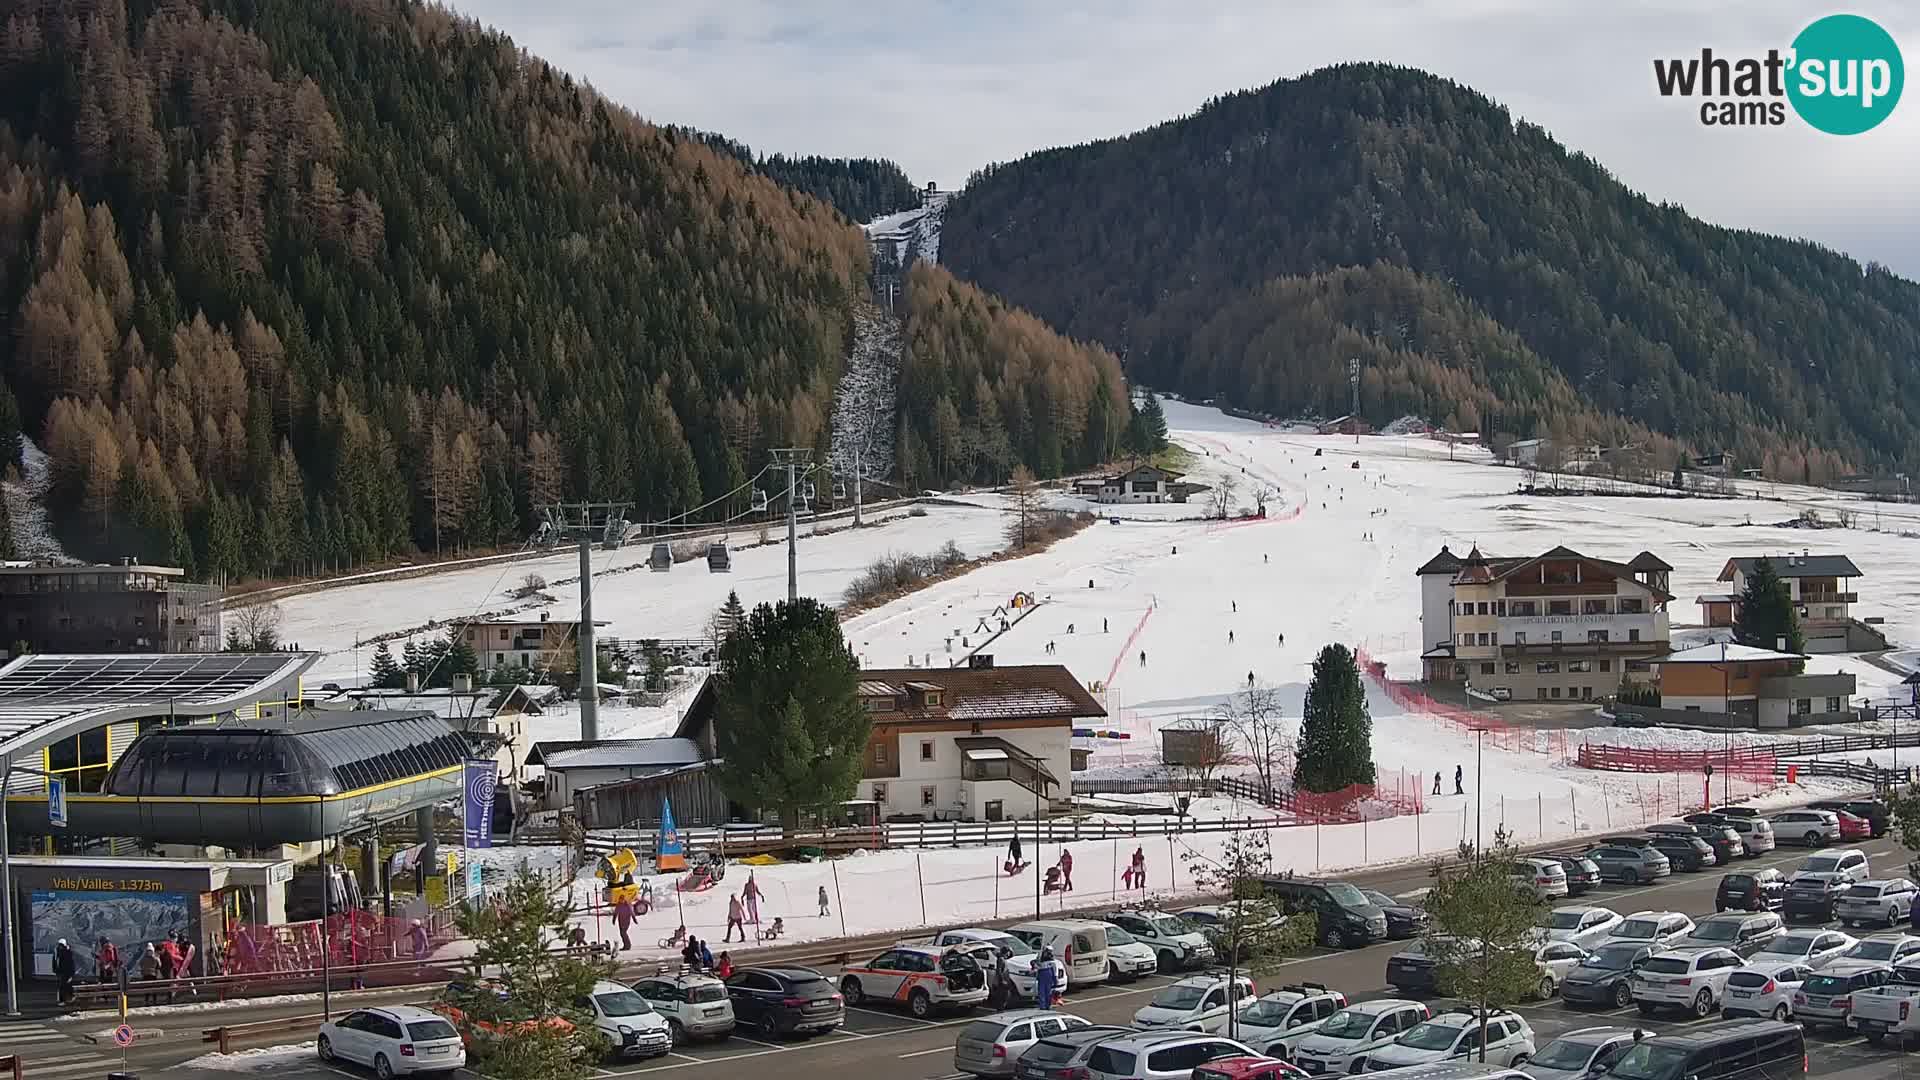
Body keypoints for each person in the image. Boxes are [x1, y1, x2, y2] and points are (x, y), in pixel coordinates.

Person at [53, 938, 75, 1005]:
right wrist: (55, 969)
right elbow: (55, 961)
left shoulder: (67, 952)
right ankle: (64, 999)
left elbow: (71, 964)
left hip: (66, 972)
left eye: (61, 945)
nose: (60, 947)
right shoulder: (58, 952)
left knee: (65, 986)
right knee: (63, 986)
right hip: (61, 971)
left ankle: (66, 999)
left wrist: (71, 974)